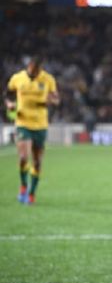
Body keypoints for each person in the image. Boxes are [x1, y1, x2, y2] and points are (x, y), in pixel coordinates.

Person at [4, 56, 60, 204]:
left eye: (39, 69)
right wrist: (9, 104)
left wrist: (51, 100)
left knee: (37, 162)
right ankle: (23, 186)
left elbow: (56, 98)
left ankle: (31, 194)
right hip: (23, 122)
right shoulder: (17, 78)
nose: (36, 72)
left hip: (41, 125)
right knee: (23, 157)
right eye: (34, 68)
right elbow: (8, 94)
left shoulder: (48, 79)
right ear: (29, 65)